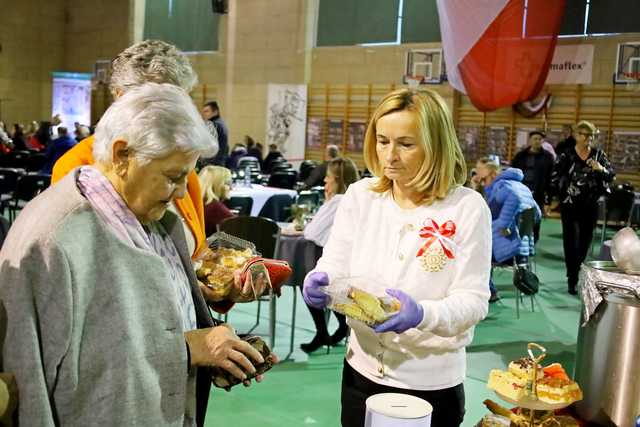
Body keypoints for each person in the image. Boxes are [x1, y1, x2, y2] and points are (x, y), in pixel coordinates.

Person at [0, 83, 273, 427]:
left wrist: (217, 348)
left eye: (186, 178)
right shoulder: (53, 240)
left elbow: (144, 327)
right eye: (173, 178)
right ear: (122, 156)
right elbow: (34, 379)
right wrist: (189, 349)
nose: (178, 194)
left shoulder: (157, 221)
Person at [303, 88, 491, 426]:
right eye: (382, 141)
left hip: (431, 386)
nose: (390, 156)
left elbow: (474, 301)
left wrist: (423, 314)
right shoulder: (360, 196)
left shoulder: (466, 208)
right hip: (360, 375)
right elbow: (335, 262)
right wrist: (322, 279)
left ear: (436, 145)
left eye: (406, 144)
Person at [50, 40, 241, 315]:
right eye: (156, 102)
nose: (172, 114)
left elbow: (191, 261)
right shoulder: (76, 170)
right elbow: (88, 290)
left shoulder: (185, 177)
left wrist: (220, 286)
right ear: (119, 97)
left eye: (179, 100)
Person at [299, 157, 360, 353]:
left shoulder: (338, 201)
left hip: (330, 258)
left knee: (308, 285)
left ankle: (323, 331)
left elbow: (312, 232)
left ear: (338, 179)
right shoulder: (353, 200)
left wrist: (326, 203)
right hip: (347, 260)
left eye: (328, 178)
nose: (325, 182)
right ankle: (336, 327)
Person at [548, 120, 614, 295]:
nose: (589, 138)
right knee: (570, 241)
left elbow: (611, 176)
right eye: (585, 134)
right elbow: (554, 178)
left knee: (585, 241)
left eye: (591, 135)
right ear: (576, 136)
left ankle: (577, 267)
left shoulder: (599, 155)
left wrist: (600, 169)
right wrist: (552, 200)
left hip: (590, 205)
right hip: (569, 205)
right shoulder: (566, 155)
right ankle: (572, 277)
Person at [473, 158, 541, 302]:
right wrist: (521, 229)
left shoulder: (502, 186)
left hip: (508, 250)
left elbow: (513, 199)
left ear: (491, 172)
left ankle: (490, 292)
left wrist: (504, 225)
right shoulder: (521, 186)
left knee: (477, 253)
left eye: (480, 170)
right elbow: (537, 214)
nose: (477, 173)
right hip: (523, 250)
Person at [510, 130, 554, 242]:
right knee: (519, 216)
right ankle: (518, 241)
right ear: (530, 140)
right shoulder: (520, 156)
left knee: (535, 218)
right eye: (535, 139)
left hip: (538, 192)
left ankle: (533, 242)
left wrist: (548, 199)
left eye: (540, 139)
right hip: (521, 192)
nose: (538, 141)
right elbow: (513, 172)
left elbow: (550, 178)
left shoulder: (548, 157)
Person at [199, 165, 236, 236]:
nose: (231, 188)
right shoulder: (217, 209)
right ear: (218, 185)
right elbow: (237, 230)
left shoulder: (196, 203)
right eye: (228, 183)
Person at [202, 101, 229, 167]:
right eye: (203, 111)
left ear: (215, 112)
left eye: (207, 111)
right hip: (219, 162)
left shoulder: (214, 125)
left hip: (212, 163)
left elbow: (208, 145)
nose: (204, 114)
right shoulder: (222, 123)